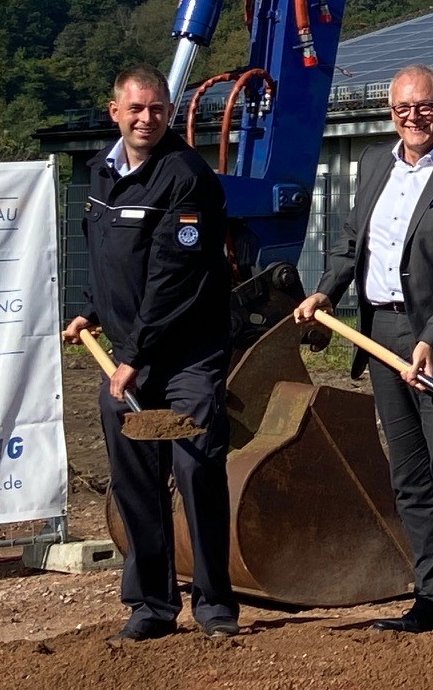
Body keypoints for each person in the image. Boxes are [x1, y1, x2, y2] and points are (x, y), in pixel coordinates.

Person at [293, 63, 433, 639]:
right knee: (410, 473)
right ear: (391, 113)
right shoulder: (373, 164)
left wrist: (432, 339)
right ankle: (431, 594)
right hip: (379, 335)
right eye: (401, 109)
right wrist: (324, 290)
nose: (412, 118)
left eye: (424, 107)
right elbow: (350, 244)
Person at [61, 65, 240, 641]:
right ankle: (151, 605)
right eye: (135, 109)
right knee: (134, 477)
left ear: (169, 110)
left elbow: (174, 279)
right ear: (115, 112)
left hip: (187, 355)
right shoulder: (103, 172)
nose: (146, 119)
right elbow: (109, 257)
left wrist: (133, 353)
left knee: (195, 468)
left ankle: (215, 605)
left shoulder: (187, 178)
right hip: (130, 356)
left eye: (157, 109)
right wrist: (92, 308)